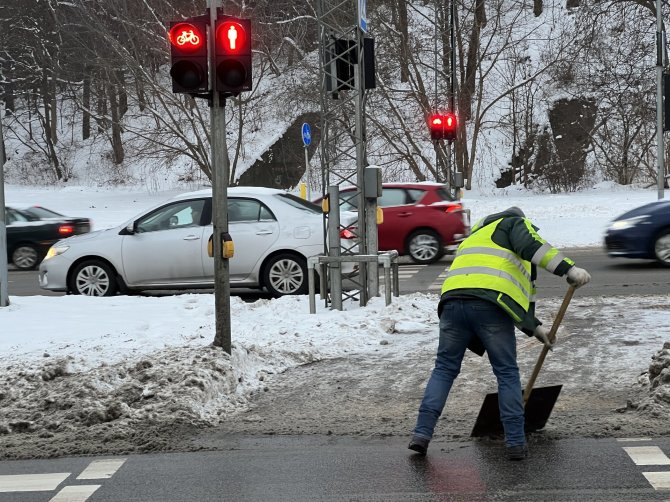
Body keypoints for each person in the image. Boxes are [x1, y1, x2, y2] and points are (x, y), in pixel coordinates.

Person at [408, 206, 591, 461]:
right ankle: (515, 443)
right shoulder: (513, 223)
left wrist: (535, 328)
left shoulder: (476, 237)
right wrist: (568, 269)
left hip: (451, 305)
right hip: (488, 308)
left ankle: (421, 435)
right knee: (506, 371)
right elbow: (532, 247)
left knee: (444, 369)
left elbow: (507, 288)